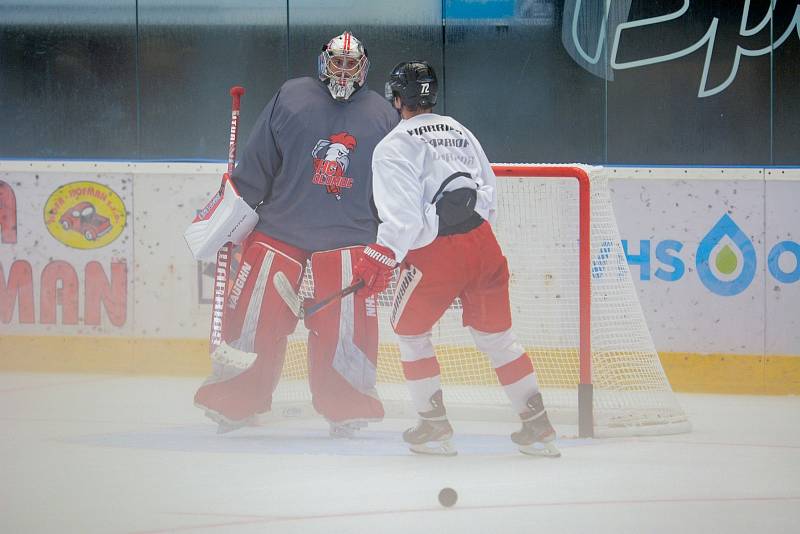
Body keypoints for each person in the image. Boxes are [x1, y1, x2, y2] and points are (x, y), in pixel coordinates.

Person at [190, 31, 399, 437]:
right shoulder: (292, 96)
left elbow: (393, 185)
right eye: (336, 62)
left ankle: (347, 404)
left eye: (350, 63)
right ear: (323, 62)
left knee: (345, 329)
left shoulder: (381, 114)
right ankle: (237, 399)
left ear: (363, 67)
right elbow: (258, 163)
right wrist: (233, 207)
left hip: (350, 236)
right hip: (281, 227)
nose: (342, 70)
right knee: (254, 317)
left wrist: (389, 237)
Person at [351, 61, 560, 457]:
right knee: (499, 339)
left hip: (436, 255)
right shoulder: (459, 130)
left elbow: (404, 220)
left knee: (412, 335)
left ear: (396, 99)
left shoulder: (393, 146)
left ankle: (434, 428)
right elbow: (487, 191)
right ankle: (539, 428)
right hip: (483, 244)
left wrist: (384, 255)